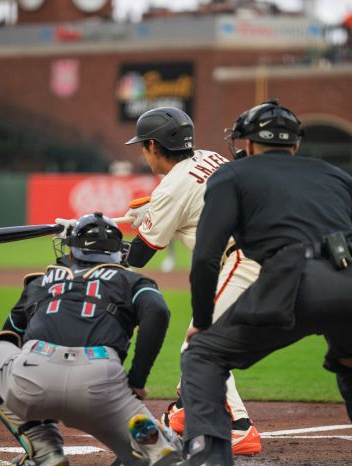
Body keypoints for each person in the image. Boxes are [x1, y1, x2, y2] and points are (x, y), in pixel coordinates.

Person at [179, 99, 352, 466]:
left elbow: (206, 257)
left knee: (203, 354)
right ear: (295, 145)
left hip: (292, 281)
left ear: (248, 145)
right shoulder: (341, 178)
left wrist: (203, 323)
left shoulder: (232, 175)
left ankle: (211, 456)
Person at [0, 212, 184, 466]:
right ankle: (151, 445)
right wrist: (137, 380)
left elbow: (9, 338)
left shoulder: (39, 282)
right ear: (116, 253)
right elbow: (157, 311)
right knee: (140, 449)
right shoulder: (131, 281)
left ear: (72, 250)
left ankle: (44, 448)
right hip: (100, 382)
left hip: (34, 376)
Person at [123, 107, 262, 456]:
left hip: (243, 259)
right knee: (201, 343)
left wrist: (92, 239)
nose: (143, 151)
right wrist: (152, 210)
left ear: (155, 146)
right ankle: (186, 409)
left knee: (200, 346)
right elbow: (193, 199)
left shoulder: (171, 188)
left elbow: (137, 258)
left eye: (143, 145)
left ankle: (239, 427)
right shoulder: (209, 156)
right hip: (269, 250)